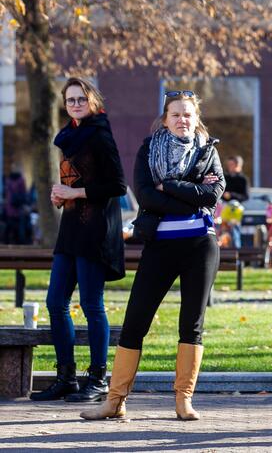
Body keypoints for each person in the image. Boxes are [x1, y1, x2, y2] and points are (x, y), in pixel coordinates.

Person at [80, 90, 224, 421]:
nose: (182, 119)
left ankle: (183, 399)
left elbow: (211, 195)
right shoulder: (149, 150)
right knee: (134, 323)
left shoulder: (208, 151)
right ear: (165, 119)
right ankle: (114, 401)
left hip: (201, 246)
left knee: (192, 324)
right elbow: (146, 196)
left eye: (188, 114)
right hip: (159, 245)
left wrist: (169, 186)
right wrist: (189, 196)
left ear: (195, 118)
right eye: (176, 114)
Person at [30, 77, 127, 402]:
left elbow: (118, 186)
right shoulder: (69, 135)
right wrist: (62, 196)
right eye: (70, 100)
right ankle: (66, 378)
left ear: (93, 101)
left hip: (95, 231)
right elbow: (74, 178)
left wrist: (76, 192)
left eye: (80, 99)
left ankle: (97, 379)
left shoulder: (100, 134)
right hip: (71, 229)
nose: (75, 104)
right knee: (55, 303)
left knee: (90, 305)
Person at [222, 156, 248, 248]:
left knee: (235, 231)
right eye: (228, 164)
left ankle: (236, 256)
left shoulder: (242, 179)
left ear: (238, 165)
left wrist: (231, 195)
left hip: (236, 210)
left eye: (231, 164)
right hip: (224, 207)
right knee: (221, 230)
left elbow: (245, 196)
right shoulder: (225, 177)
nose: (229, 167)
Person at [4, 163, 30, 244]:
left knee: (15, 229)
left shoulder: (10, 180)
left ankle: (14, 243)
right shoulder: (19, 180)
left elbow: (22, 193)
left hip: (15, 208)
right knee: (13, 229)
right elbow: (23, 194)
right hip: (14, 208)